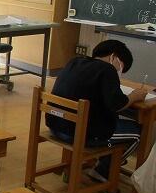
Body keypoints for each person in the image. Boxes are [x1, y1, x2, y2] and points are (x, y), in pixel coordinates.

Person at [47, 39, 146, 181]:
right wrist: (134, 96)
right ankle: (103, 170)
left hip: (56, 126)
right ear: (113, 57)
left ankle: (96, 164)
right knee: (136, 132)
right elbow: (117, 104)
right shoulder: (107, 70)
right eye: (121, 68)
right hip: (78, 135)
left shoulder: (74, 61)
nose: (119, 72)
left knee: (110, 121)